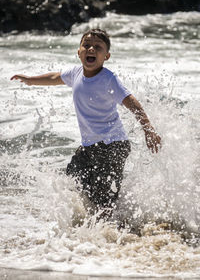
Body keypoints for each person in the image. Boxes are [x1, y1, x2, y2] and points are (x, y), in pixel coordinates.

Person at [11, 28, 161, 215]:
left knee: (104, 199)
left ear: (106, 56)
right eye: (86, 45)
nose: (91, 49)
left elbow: (131, 102)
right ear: (78, 51)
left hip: (112, 146)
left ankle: (113, 232)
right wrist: (31, 80)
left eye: (97, 47)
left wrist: (148, 129)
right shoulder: (75, 74)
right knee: (72, 181)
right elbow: (54, 77)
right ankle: (96, 223)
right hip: (89, 146)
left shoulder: (108, 79)